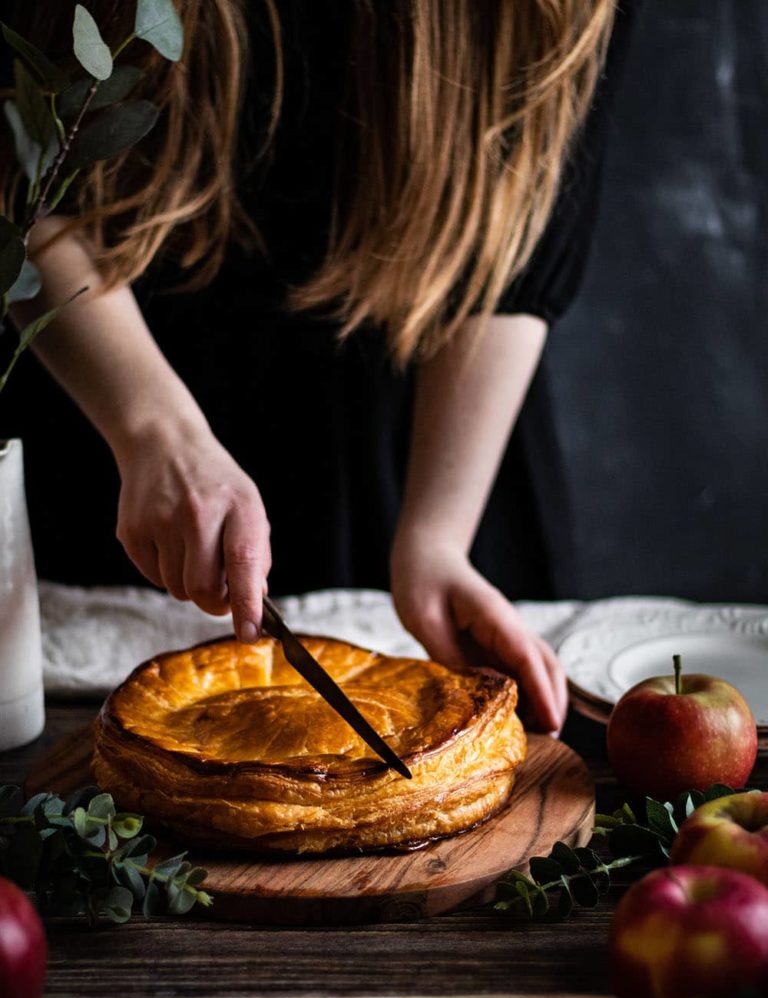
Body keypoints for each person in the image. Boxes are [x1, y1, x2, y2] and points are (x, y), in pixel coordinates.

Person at [0, 1, 637, 735]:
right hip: (106, 399)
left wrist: (437, 535)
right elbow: (18, 160)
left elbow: (519, 215)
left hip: (435, 426)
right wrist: (151, 428)